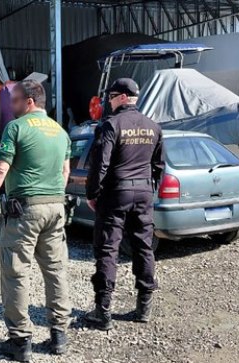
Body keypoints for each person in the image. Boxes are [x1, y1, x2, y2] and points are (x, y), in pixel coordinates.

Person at [0, 80, 72, 362]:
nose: (11, 106)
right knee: (55, 271)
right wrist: (53, 197)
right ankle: (59, 335)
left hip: (25, 210)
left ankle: (20, 341)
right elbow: (65, 171)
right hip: (55, 207)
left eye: (15, 100)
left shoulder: (16, 128)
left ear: (30, 101)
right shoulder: (60, 131)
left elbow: (1, 167)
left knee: (16, 272)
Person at [83, 78, 163, 330]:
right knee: (143, 246)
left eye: (111, 97)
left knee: (108, 249)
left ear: (122, 97)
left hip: (116, 193)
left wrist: (92, 193)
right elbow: (159, 166)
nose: (108, 102)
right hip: (142, 193)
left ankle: (103, 311)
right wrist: (152, 191)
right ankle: (144, 307)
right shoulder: (153, 126)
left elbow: (100, 164)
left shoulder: (110, 125)